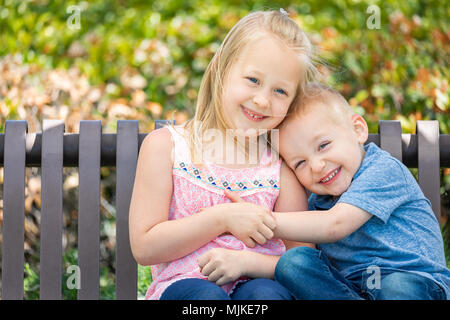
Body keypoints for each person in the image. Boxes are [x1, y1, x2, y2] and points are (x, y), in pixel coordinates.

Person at [129, 9, 318, 300]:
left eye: (280, 91)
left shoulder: (278, 171)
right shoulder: (167, 147)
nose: (262, 99)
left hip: (260, 284)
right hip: (184, 288)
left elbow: (303, 264)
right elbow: (145, 247)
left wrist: (248, 262)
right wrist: (223, 218)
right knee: (206, 300)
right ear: (220, 69)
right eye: (253, 80)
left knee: (265, 297)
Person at [225, 83, 450, 299]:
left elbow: (335, 224)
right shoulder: (316, 203)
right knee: (293, 262)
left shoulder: (382, 170)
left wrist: (259, 220)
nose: (317, 166)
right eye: (300, 163)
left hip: (417, 282)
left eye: (323, 146)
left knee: (396, 286)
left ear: (358, 130)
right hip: (349, 289)